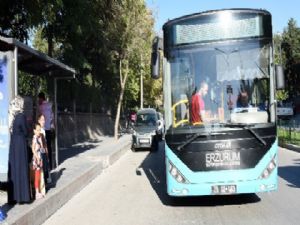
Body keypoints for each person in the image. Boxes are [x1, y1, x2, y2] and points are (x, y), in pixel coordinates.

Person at [7, 95, 31, 204]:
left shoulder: (11, 115)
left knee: (15, 169)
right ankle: (23, 197)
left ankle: (14, 197)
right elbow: (26, 132)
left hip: (13, 144)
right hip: (20, 144)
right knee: (22, 168)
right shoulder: (21, 116)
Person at [38, 92, 54, 170]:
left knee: (43, 147)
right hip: (48, 129)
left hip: (43, 130)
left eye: (39, 99)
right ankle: (50, 165)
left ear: (41, 98)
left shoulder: (41, 107)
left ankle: (44, 165)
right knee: (49, 147)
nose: (38, 100)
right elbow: (52, 117)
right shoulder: (49, 106)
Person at [32, 123, 46, 199]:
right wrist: (37, 157)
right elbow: (33, 149)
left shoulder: (39, 137)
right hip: (37, 159)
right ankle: (37, 193)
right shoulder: (34, 138)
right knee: (37, 176)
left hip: (40, 158)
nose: (38, 131)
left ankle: (39, 191)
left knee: (40, 175)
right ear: (34, 131)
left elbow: (42, 147)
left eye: (39, 130)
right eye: (37, 130)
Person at [37, 114, 51, 184]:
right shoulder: (39, 130)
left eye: (44, 120)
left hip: (44, 150)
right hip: (41, 151)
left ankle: (45, 182)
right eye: (42, 120)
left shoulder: (43, 129)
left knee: (45, 167)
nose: (44, 121)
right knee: (43, 167)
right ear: (38, 121)